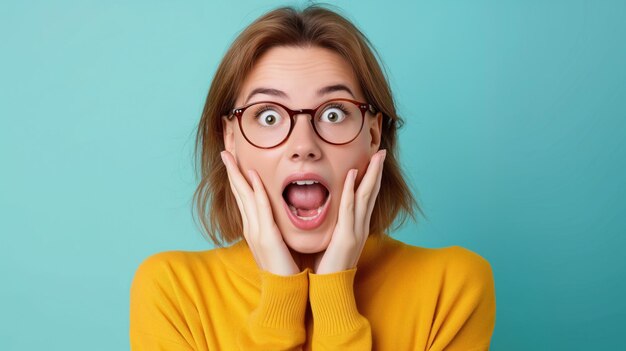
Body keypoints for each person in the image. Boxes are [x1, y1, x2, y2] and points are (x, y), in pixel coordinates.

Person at [130, 5, 495, 350]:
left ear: (372, 135)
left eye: (333, 114)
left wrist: (334, 291)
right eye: (269, 116)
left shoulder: (452, 287)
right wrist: (280, 295)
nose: (304, 145)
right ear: (230, 138)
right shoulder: (173, 292)